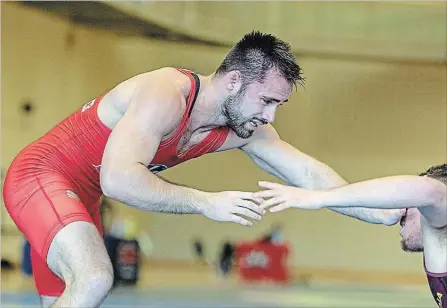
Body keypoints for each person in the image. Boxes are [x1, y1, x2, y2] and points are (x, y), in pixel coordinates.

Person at [3, 30, 401, 307]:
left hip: (80, 198)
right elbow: (119, 178)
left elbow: (311, 175)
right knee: (94, 277)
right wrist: (205, 202)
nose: (271, 116)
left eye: (278, 104)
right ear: (232, 81)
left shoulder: (244, 130)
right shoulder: (166, 92)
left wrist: (384, 212)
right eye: (265, 101)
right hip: (41, 176)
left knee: (70, 298)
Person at [255, 163, 447, 307]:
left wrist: (318, 198)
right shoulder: (437, 246)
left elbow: (430, 190)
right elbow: (308, 172)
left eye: (413, 201)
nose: (400, 206)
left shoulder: (440, 233)